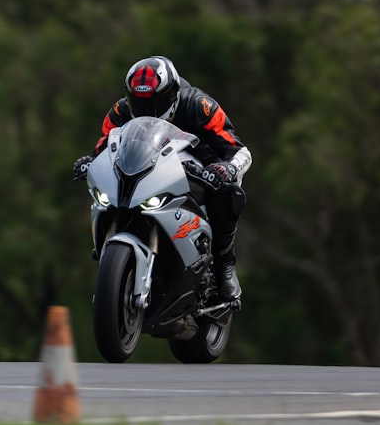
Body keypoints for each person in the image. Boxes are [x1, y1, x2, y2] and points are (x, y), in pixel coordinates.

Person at [72, 56, 252, 305]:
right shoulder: (121, 110)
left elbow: (239, 150)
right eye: (139, 102)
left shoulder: (199, 105)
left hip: (200, 170)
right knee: (105, 193)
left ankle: (224, 267)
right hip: (148, 171)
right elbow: (104, 147)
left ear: (173, 93)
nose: (148, 109)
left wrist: (226, 169)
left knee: (228, 195)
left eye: (156, 101)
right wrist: (88, 162)